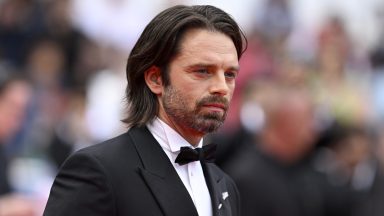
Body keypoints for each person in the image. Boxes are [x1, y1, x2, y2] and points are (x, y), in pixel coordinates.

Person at [43, 5, 246, 216]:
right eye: (202, 71)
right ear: (155, 79)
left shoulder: (226, 186)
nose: (222, 87)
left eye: (230, 74)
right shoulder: (98, 171)